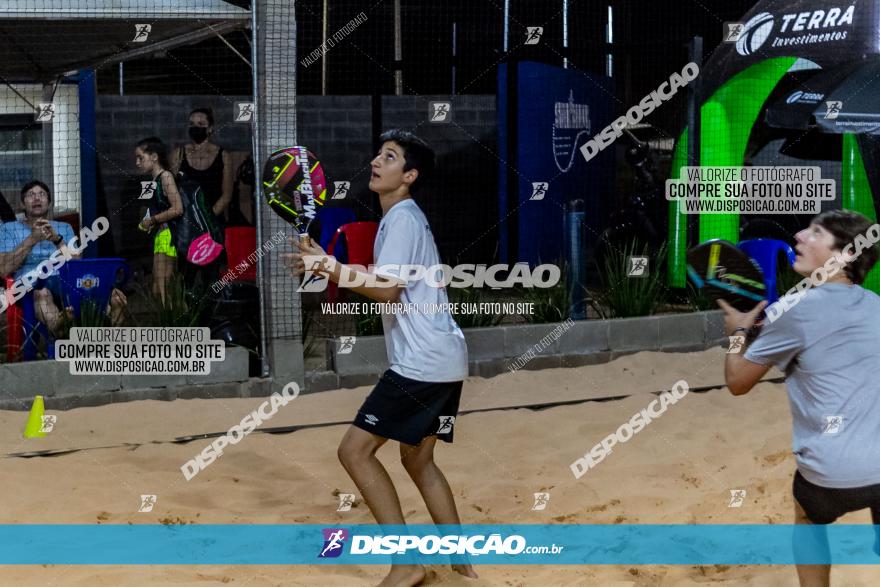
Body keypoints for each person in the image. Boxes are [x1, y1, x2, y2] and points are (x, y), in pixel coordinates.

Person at [284, 130, 477, 587]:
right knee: (418, 461)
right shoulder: (403, 218)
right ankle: (463, 569)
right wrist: (328, 261)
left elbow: (387, 289)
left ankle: (406, 563)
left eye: (389, 157)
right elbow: (387, 281)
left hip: (423, 364)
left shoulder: (403, 219)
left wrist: (329, 267)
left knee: (354, 451)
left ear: (408, 176)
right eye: (378, 153)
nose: (376, 160)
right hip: (445, 358)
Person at [718, 210, 880, 587]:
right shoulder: (875, 304)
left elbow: (737, 382)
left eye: (815, 233)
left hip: (831, 472)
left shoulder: (793, 311)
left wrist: (738, 334)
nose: (799, 235)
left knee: (807, 518)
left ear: (843, 256)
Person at [0, 180, 126, 334]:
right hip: (31, 284)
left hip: (66, 282)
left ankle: (109, 337)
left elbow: (76, 263)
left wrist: (57, 240)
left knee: (115, 296)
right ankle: (58, 327)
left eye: (42, 194)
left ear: (49, 203)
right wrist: (32, 239)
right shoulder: (9, 228)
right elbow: (4, 269)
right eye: (31, 195)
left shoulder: (63, 228)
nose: (37, 198)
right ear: (22, 204)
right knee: (42, 293)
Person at [171, 107, 233, 287]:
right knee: (185, 278)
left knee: (211, 278)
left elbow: (227, 195)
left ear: (210, 128)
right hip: (186, 227)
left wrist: (206, 220)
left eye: (201, 124)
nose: (195, 127)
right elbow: (171, 188)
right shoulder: (179, 154)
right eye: (192, 124)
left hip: (212, 226)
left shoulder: (223, 156)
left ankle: (212, 313)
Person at [136, 137, 183, 301]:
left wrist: (152, 220)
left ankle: (175, 324)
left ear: (154, 157)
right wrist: (148, 222)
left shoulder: (166, 177)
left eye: (140, 158)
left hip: (169, 236)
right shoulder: (153, 180)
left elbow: (177, 208)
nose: (137, 162)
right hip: (160, 236)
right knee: (158, 289)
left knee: (165, 291)